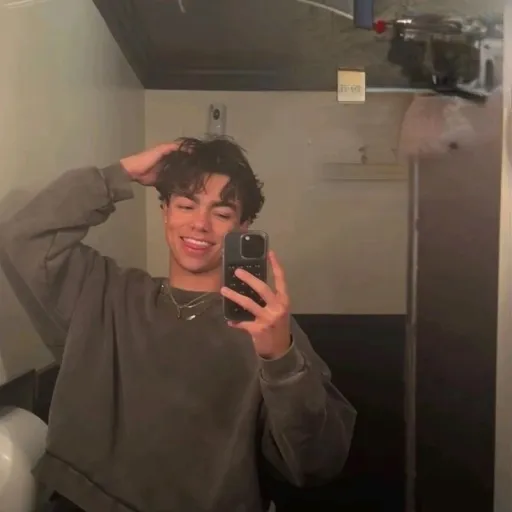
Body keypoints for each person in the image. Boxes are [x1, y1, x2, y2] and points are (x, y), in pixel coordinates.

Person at [0, 136, 356, 512]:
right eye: (186, 205)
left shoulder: (267, 331)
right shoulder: (105, 293)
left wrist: (281, 361)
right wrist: (118, 175)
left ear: (242, 228)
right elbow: (23, 237)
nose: (200, 224)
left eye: (221, 214)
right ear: (165, 212)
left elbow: (316, 464)